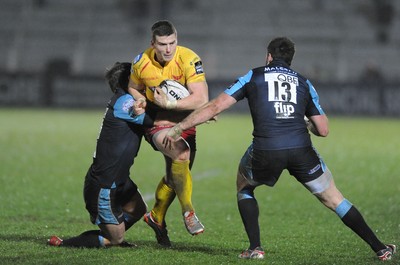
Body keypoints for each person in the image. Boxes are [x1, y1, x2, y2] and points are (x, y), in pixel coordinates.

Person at [163, 37, 397, 261]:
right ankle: (380, 249)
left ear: (268, 56)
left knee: (244, 187)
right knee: (335, 200)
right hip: (300, 149)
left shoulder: (253, 76)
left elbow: (215, 106)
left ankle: (255, 248)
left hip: (266, 149)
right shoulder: (304, 82)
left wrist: (179, 127)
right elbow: (323, 130)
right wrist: (305, 122)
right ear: (291, 60)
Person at [48, 62, 153, 248]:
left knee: (138, 209)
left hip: (118, 178)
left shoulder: (124, 100)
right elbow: (153, 120)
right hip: (104, 184)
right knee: (115, 239)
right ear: (129, 81)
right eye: (138, 75)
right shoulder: (126, 103)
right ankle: (66, 243)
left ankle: (110, 232)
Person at [128, 20, 209, 247]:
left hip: (185, 122)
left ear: (177, 39)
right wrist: (140, 98)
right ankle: (189, 212)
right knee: (181, 154)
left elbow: (201, 98)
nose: (168, 49)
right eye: (162, 44)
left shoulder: (189, 59)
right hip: (158, 121)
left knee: (178, 177)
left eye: (172, 43)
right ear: (152, 43)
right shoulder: (141, 62)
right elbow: (133, 86)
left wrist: (173, 103)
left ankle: (155, 217)